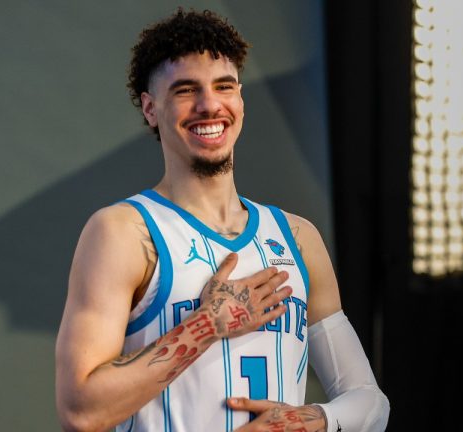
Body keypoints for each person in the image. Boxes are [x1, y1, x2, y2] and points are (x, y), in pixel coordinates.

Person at [55, 8, 389, 432]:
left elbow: (372, 404)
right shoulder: (122, 232)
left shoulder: (298, 238)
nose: (209, 104)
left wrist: (314, 419)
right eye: (185, 90)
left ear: (241, 103)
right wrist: (206, 324)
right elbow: (80, 412)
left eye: (223, 86)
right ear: (150, 109)